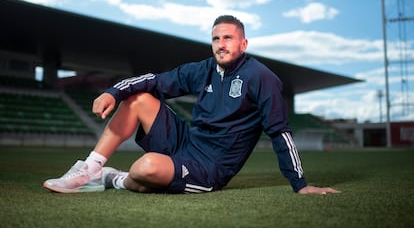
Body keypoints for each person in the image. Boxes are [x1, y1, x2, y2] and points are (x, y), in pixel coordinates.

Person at [43, 15, 340, 195]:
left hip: (210, 167)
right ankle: (91, 169)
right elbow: (156, 81)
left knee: (145, 169)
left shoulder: (262, 78)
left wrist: (300, 184)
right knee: (139, 99)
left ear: (244, 44)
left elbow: (280, 132)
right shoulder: (204, 69)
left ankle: (115, 179)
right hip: (185, 143)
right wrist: (114, 92)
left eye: (228, 38)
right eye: (215, 38)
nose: (221, 44)